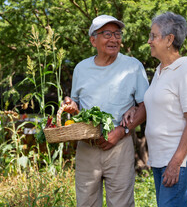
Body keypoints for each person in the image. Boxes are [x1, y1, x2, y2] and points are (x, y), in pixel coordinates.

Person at [62, 15, 149, 207]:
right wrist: (71, 106)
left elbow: (145, 106)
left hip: (120, 145)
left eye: (117, 34)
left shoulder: (133, 67)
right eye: (107, 34)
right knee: (86, 203)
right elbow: (76, 105)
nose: (114, 39)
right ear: (93, 40)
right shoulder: (81, 68)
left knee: (121, 204)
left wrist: (122, 131)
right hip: (87, 146)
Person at [123, 12, 187, 206]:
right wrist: (135, 110)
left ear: (169, 40)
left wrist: (175, 163)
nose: (149, 41)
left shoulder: (185, 71)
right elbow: (157, 106)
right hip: (160, 159)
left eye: (153, 36)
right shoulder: (160, 71)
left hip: (176, 161)